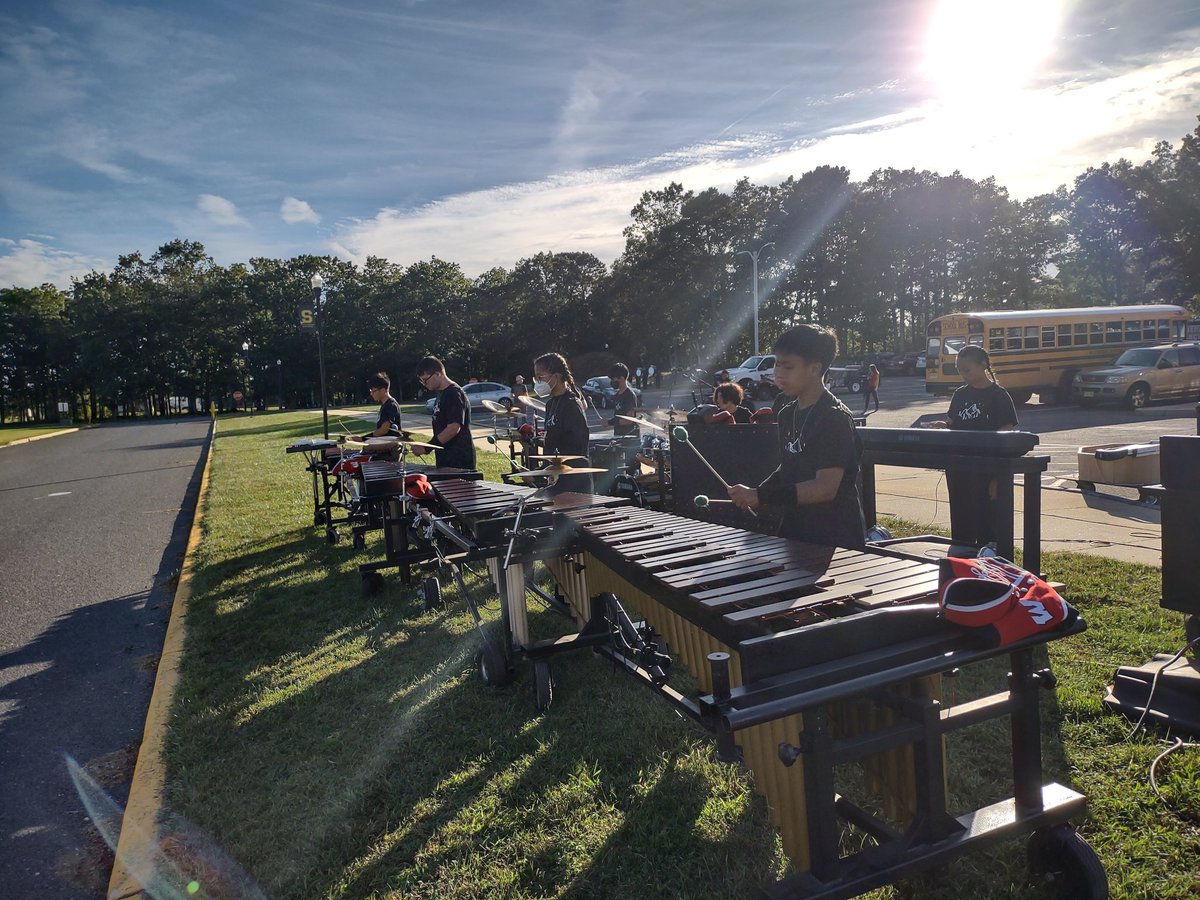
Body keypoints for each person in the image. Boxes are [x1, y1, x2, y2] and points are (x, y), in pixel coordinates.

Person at [728, 324, 866, 549]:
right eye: (777, 364)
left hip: (835, 540)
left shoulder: (834, 418)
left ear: (814, 369)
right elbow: (789, 467)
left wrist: (762, 496)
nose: (778, 373)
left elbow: (824, 488)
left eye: (788, 367)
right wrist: (756, 493)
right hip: (795, 532)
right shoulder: (786, 413)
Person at [926, 344, 1018, 550]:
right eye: (959, 370)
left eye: (966, 369)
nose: (962, 374)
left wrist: (998, 477)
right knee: (961, 527)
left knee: (989, 528)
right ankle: (961, 564)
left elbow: (1007, 437)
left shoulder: (999, 396)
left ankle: (990, 567)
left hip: (987, 471)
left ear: (983, 365)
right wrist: (943, 426)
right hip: (959, 471)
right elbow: (953, 423)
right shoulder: (960, 394)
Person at [534, 352, 592, 493]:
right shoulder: (550, 404)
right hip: (557, 479)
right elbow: (553, 440)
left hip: (575, 482)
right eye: (535, 378)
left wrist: (555, 468)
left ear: (556, 376)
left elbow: (579, 447)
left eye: (540, 377)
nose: (537, 382)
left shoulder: (572, 405)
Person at [412, 356, 476, 470]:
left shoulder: (454, 394)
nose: (425, 384)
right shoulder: (441, 393)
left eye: (426, 380)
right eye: (422, 381)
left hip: (459, 460)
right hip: (445, 457)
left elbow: (453, 428)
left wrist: (427, 448)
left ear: (438, 374)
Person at [364, 372, 404, 439]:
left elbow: (384, 430)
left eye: (373, 391)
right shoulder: (385, 405)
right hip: (386, 441)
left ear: (383, 390)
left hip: (393, 443)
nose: (371, 394)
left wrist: (364, 438)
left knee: (367, 446)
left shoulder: (391, 405)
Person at [608, 363, 640, 437]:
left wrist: (609, 423)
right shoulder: (617, 395)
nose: (612, 381)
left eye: (613, 378)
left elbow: (629, 420)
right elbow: (619, 416)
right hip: (618, 435)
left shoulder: (629, 396)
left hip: (629, 437)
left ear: (621, 378)